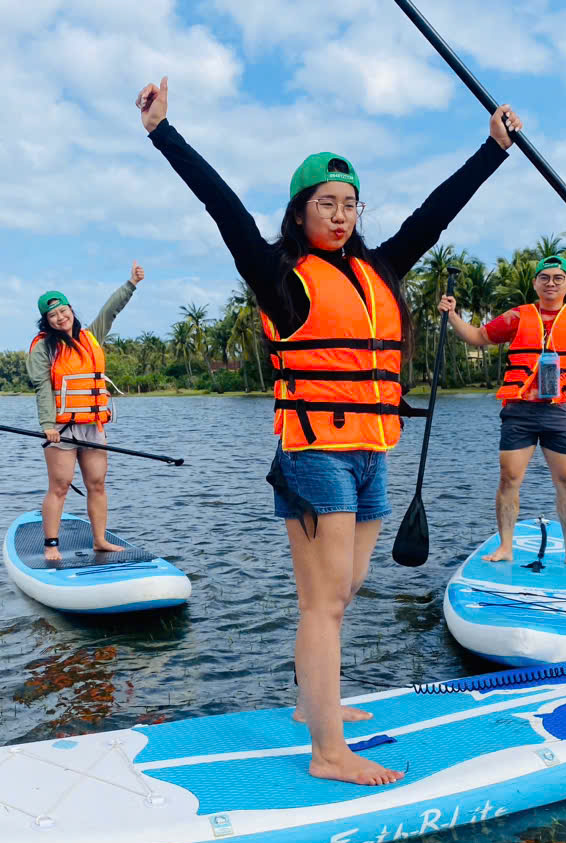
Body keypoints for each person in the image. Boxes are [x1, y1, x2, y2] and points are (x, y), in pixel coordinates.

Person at [136, 75, 522, 786]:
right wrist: (165, 133)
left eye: (349, 204)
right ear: (302, 211)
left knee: (342, 594)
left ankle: (314, 704)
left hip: (373, 453)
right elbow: (223, 210)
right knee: (323, 603)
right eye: (326, 204)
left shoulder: (377, 269)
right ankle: (325, 751)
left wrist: (491, 151)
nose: (339, 216)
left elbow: (433, 218)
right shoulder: (282, 277)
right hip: (316, 453)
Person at [442, 254, 566, 569]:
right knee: (509, 478)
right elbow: (479, 337)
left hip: (561, 411)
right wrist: (452, 315)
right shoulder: (517, 317)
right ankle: (506, 546)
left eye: (558, 278)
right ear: (535, 283)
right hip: (520, 411)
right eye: (545, 278)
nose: (551, 283)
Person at [27, 262, 146, 562]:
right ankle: (51, 545)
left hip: (93, 424)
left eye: (63, 311)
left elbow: (111, 309)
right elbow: (42, 387)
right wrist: (47, 424)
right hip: (62, 428)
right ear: (47, 320)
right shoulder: (44, 348)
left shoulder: (92, 335)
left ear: (70, 310)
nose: (60, 317)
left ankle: (100, 540)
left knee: (97, 483)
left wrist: (131, 283)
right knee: (60, 486)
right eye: (52, 315)